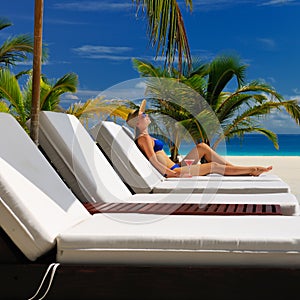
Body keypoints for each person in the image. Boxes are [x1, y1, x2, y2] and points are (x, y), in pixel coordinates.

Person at [126, 99, 272, 178]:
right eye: (143, 115)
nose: (147, 116)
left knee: (202, 147)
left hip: (177, 167)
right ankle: (252, 170)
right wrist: (170, 174)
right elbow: (153, 160)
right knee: (213, 167)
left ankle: (234, 169)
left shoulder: (145, 136)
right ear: (138, 123)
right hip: (175, 171)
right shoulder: (144, 139)